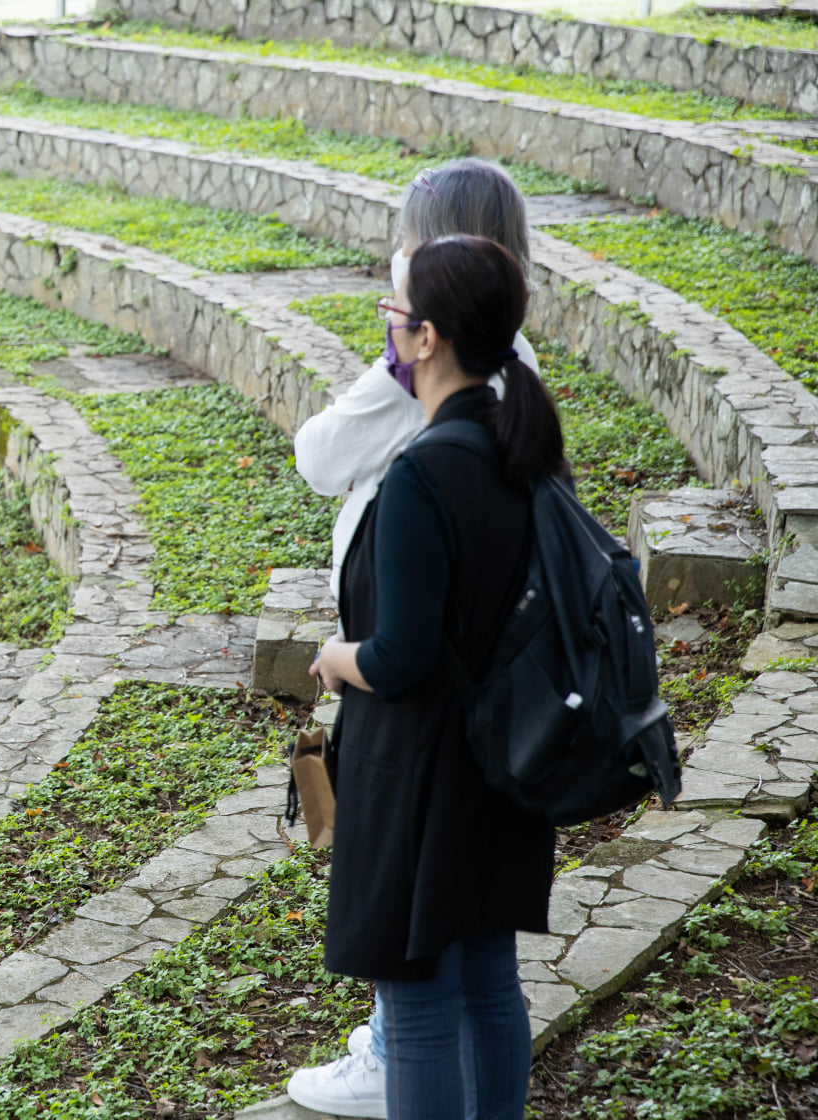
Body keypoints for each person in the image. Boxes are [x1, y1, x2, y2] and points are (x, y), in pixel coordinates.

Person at [286, 158, 539, 1119]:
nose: (385, 329)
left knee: (421, 1002)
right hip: (498, 733)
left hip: (422, 750)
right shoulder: (520, 411)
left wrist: (333, 660)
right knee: (486, 979)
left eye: (396, 311)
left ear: (426, 333)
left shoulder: (423, 471)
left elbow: (403, 652)